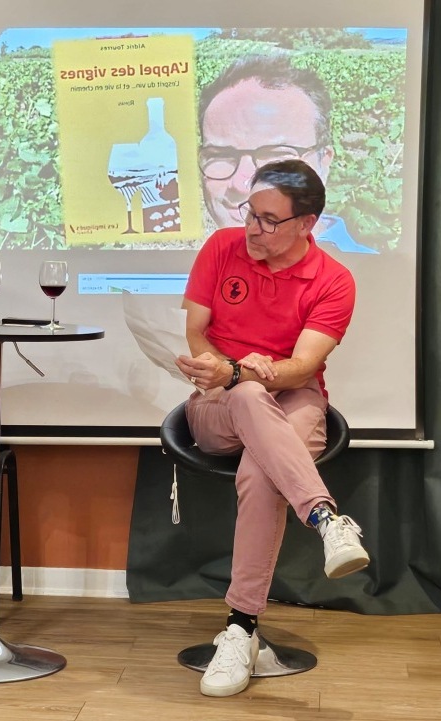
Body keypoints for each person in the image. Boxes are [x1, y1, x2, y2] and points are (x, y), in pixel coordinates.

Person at [175, 158, 370, 698]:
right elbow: (197, 333)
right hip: (217, 401)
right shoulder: (221, 249)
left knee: (262, 477)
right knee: (250, 394)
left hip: (295, 400)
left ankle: (240, 628)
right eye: (249, 214)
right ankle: (326, 518)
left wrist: (246, 372)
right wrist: (229, 373)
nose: (251, 229)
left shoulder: (333, 281)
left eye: (267, 220)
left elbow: (304, 368)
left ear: (306, 224)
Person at [197, 53, 378, 254]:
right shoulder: (204, 271)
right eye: (221, 155)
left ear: (323, 164)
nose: (242, 185)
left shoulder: (376, 276)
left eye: (275, 157)